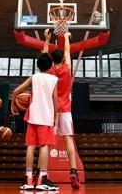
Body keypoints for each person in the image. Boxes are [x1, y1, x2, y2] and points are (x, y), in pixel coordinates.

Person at [11, 52, 59, 191]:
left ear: (38, 66)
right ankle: (42, 179)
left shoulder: (34, 77)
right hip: (46, 117)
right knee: (44, 146)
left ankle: (29, 179)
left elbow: (15, 91)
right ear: (51, 66)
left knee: (30, 146)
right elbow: (55, 101)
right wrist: (55, 116)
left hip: (32, 116)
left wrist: (13, 105)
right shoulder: (54, 79)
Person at [42, 29, 80, 188]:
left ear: (51, 60)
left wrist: (46, 39)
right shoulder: (67, 68)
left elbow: (43, 55)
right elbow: (67, 51)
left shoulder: (49, 70)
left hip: (51, 110)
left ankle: (44, 174)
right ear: (63, 59)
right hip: (65, 109)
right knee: (68, 139)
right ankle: (73, 170)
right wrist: (65, 37)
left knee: (47, 142)